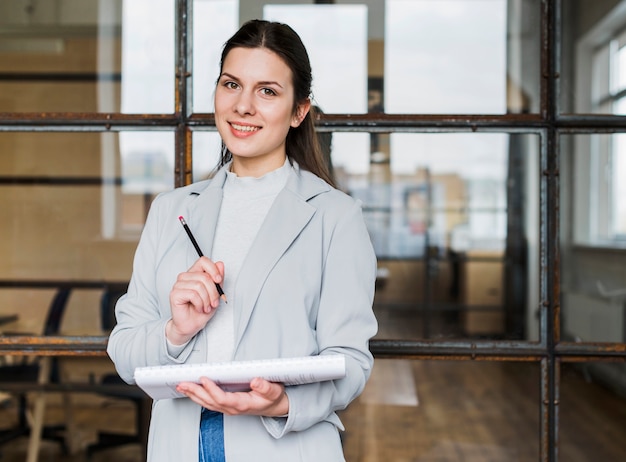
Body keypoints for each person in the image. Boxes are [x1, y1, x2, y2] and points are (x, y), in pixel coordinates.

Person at [107, 19, 378, 462]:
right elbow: (124, 351)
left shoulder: (336, 217)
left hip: (285, 446)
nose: (243, 106)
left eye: (267, 91)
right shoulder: (170, 211)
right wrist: (176, 332)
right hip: (179, 446)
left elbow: (350, 361)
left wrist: (283, 402)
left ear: (298, 111)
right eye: (232, 84)